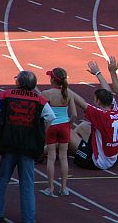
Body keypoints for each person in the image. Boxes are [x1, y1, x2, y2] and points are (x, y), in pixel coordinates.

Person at [0, 71, 56, 223]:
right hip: (28, 148)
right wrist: (40, 133)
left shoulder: (5, 95)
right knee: (27, 184)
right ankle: (28, 219)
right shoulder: (40, 100)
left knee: (2, 179)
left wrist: (2, 124)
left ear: (18, 82)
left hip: (9, 145)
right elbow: (50, 117)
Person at [69, 62, 118, 170]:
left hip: (97, 161)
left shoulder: (101, 115)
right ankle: (66, 147)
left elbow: (81, 103)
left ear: (98, 101)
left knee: (65, 130)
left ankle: (48, 150)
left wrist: (64, 86)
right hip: (111, 157)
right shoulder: (115, 110)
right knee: (84, 126)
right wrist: (98, 73)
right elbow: (108, 92)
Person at [41, 68, 77, 197]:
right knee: (63, 157)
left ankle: (50, 188)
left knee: (51, 158)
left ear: (52, 79)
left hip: (52, 126)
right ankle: (64, 188)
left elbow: (42, 112)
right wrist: (68, 125)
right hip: (64, 126)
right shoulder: (68, 93)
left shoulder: (46, 93)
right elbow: (74, 114)